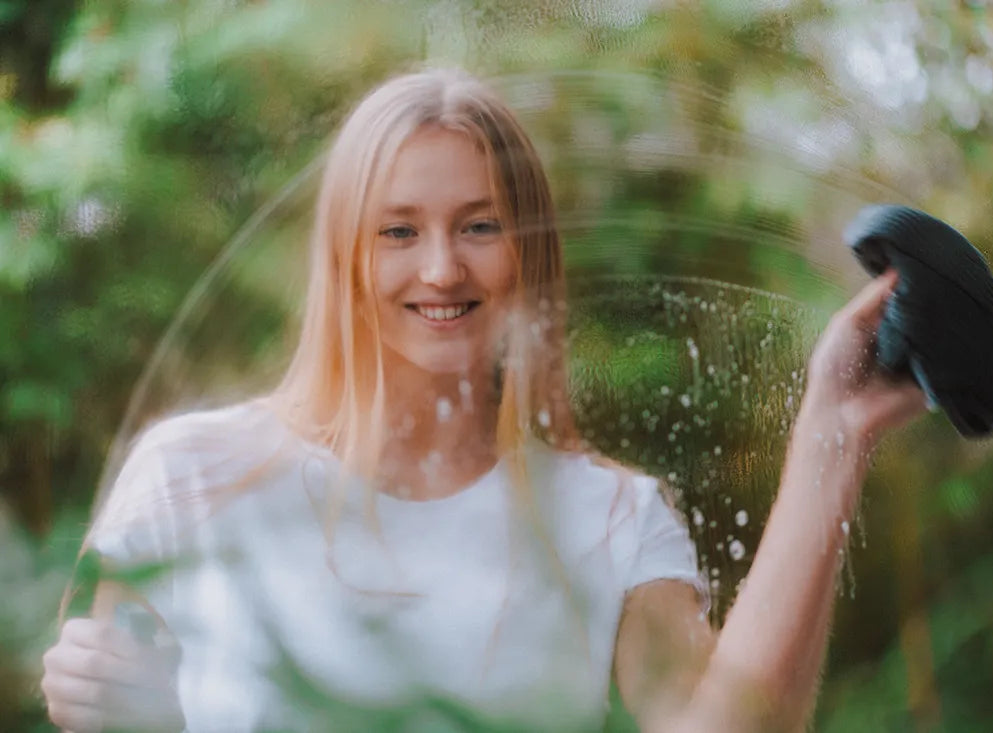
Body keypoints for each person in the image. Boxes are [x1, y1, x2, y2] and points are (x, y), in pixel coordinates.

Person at [40, 68, 928, 732]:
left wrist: (832, 434)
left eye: (479, 225)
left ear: (527, 252)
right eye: (398, 231)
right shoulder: (192, 477)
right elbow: (95, 695)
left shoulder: (609, 517)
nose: (440, 268)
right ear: (346, 254)